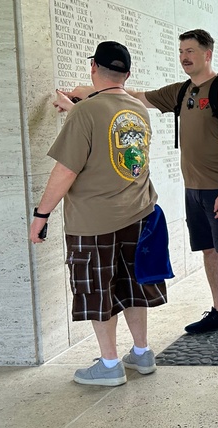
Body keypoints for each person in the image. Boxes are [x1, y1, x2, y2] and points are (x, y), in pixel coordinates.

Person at [63, 29, 218, 344]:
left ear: (207, 54)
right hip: (195, 191)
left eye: (190, 51)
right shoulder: (181, 91)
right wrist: (83, 92)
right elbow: (135, 97)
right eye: (181, 51)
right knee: (209, 250)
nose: (185, 57)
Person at [30, 41, 166, 386]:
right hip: (139, 214)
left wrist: (41, 215)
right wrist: (76, 103)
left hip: (94, 223)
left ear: (93, 67)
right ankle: (141, 353)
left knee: (98, 292)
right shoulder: (138, 111)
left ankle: (108, 365)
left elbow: (65, 171)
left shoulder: (84, 113)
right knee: (134, 287)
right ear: (128, 74)